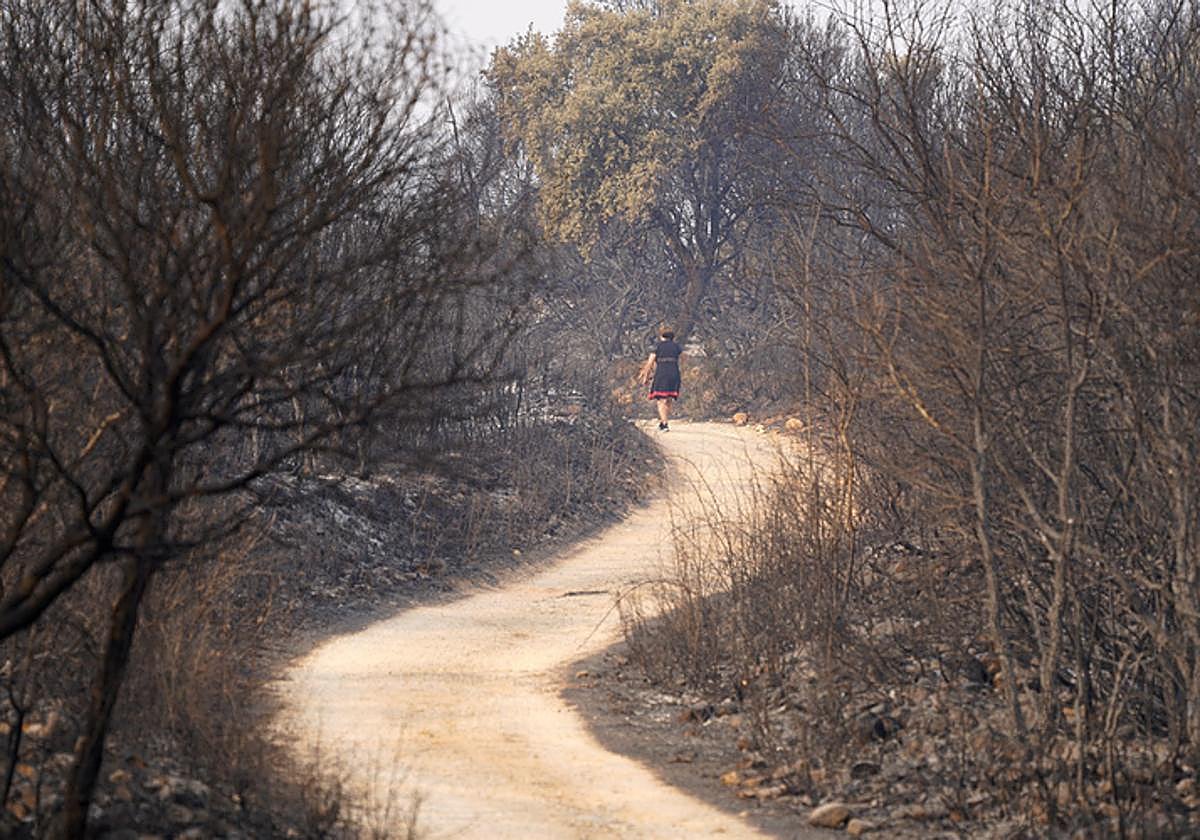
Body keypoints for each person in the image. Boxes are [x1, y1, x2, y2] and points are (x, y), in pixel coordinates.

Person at [639, 328, 683, 431]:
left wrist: (645, 376)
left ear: (661, 336)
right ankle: (664, 420)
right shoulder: (677, 347)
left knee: (661, 399)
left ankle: (664, 423)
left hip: (662, 374)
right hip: (674, 373)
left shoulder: (657, 346)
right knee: (669, 398)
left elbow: (650, 363)